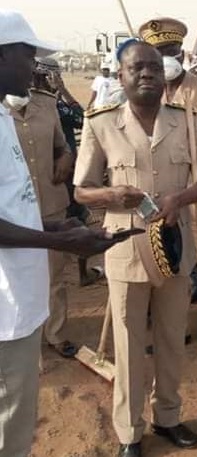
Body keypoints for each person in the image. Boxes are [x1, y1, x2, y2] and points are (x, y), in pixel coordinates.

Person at [73, 39, 197, 457]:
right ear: (119, 76)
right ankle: (129, 431)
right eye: (136, 68)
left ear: (165, 75)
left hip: (175, 251)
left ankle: (169, 417)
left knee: (173, 340)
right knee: (128, 346)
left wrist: (181, 199)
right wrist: (110, 195)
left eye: (154, 68)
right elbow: (82, 190)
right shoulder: (100, 122)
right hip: (125, 249)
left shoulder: (188, 121)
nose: (146, 75)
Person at [0, 10, 121, 457]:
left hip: (19, 298)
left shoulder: (6, 116)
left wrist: (55, 226)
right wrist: (59, 241)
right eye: (27, 55)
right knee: (11, 420)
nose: (34, 68)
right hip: (4, 306)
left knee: (18, 412)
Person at [139, 17, 197, 359]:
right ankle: (174, 330)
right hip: (165, 197)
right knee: (171, 266)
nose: (166, 57)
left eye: (170, 50)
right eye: (158, 51)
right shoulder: (147, 95)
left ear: (181, 51)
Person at [4, 65, 80, 358]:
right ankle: (24, 338)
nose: (33, 76)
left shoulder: (46, 104)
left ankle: (56, 333)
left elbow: (63, 146)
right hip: (10, 212)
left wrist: (65, 159)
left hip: (50, 202)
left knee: (55, 275)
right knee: (15, 275)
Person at [33, 56, 103, 286]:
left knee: (76, 219)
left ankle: (83, 273)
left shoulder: (56, 103)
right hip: (46, 177)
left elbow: (83, 120)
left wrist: (63, 91)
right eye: (55, 75)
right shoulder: (37, 103)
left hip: (67, 173)